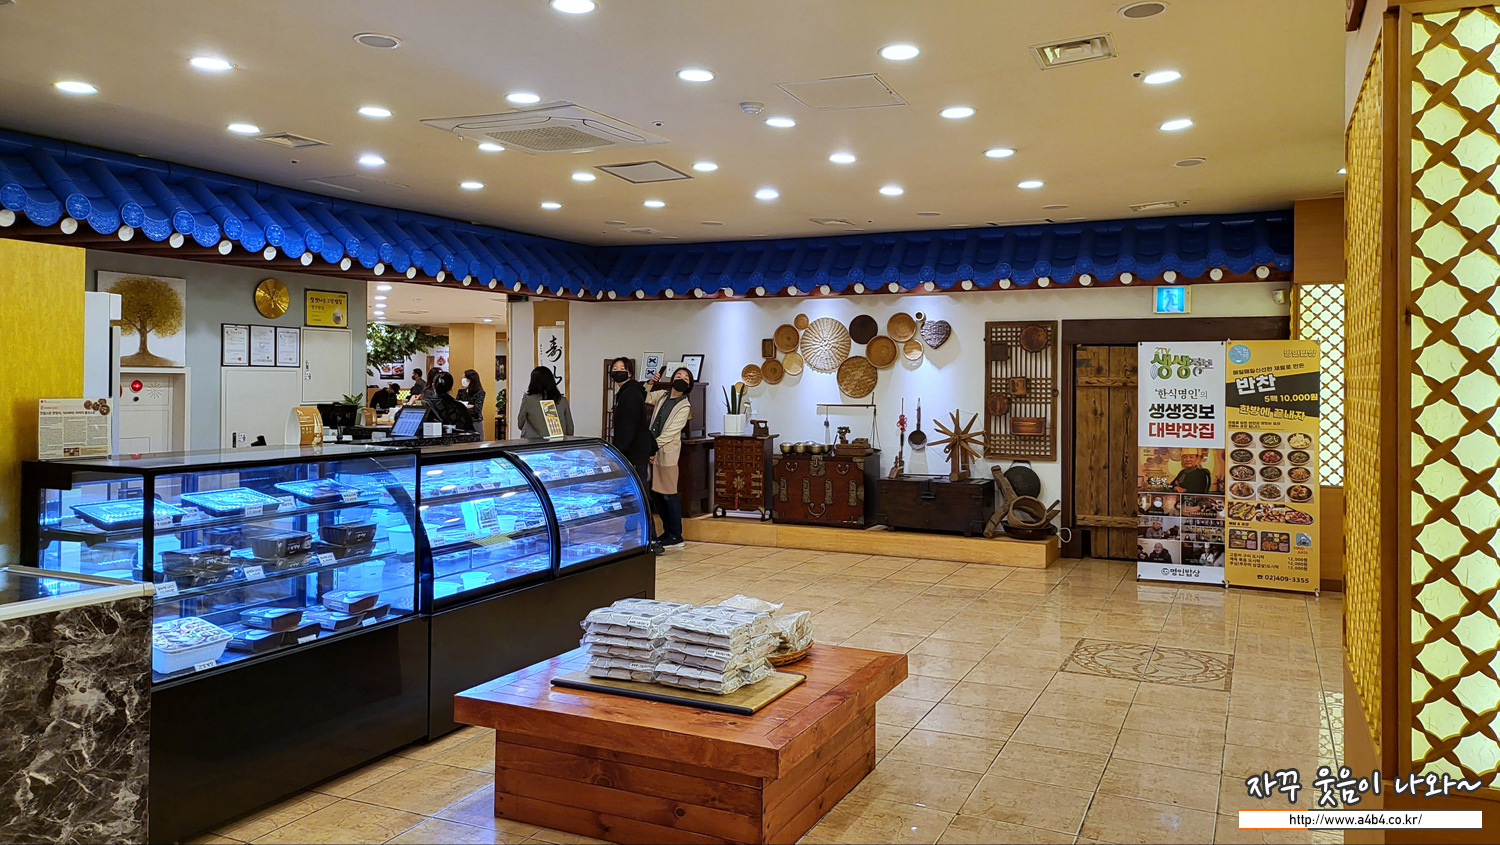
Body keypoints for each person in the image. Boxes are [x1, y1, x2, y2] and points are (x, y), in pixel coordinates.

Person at [645, 366, 694, 551]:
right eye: (678, 376)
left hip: (666, 454)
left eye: (686, 378)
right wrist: (650, 382)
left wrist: (653, 447)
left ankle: (676, 534)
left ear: (689, 385)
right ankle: (667, 532)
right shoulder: (663, 395)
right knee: (657, 494)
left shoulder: (684, 406)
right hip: (653, 452)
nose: (681, 379)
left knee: (668, 494)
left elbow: (671, 432)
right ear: (672, 379)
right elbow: (645, 397)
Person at [516, 367, 574, 438]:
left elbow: (520, 424)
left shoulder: (528, 400)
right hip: (558, 441)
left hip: (533, 441)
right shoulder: (562, 400)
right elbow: (570, 428)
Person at [456, 368, 486, 436]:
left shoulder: (480, 393)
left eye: (465, 378)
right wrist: (467, 406)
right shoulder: (461, 392)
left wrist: (463, 407)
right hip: (462, 422)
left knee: (478, 440)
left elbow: (476, 409)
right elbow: (457, 407)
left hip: (475, 421)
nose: (463, 380)